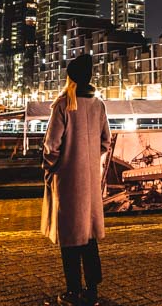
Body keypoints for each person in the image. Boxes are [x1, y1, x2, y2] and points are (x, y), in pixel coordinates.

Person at [42, 54, 111, 306]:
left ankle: (72, 291)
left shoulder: (64, 104)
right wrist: (91, 159)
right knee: (89, 236)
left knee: (70, 237)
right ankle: (92, 291)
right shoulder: (98, 104)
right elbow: (106, 141)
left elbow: (51, 147)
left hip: (68, 180)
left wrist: (50, 170)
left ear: (70, 78)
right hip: (90, 180)